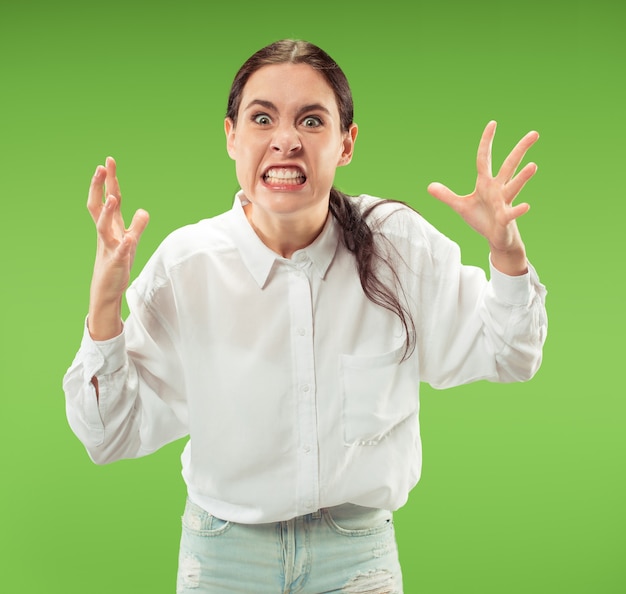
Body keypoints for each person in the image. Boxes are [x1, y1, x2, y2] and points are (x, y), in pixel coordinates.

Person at [63, 39, 547, 594]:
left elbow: (512, 354)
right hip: (223, 558)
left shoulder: (397, 244)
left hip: (357, 555)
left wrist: (508, 256)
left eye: (312, 120)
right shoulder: (187, 264)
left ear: (346, 142)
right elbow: (108, 435)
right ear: (231, 137)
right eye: (262, 117)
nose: (286, 140)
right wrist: (104, 305)